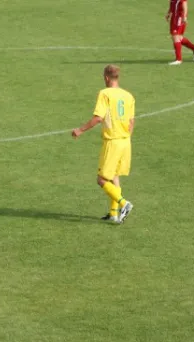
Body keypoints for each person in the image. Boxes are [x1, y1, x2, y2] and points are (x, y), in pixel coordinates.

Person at [72, 65, 135, 224]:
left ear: (106, 78)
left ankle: (124, 203)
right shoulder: (128, 96)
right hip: (125, 142)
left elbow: (98, 118)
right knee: (114, 176)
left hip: (113, 142)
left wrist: (80, 130)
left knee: (101, 180)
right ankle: (113, 214)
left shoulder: (105, 93)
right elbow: (131, 122)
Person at [165, 0, 194, 65]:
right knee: (179, 37)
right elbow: (172, 4)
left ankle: (178, 59)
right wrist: (168, 13)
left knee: (175, 36)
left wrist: (184, 17)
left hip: (179, 18)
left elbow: (185, 5)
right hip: (174, 17)